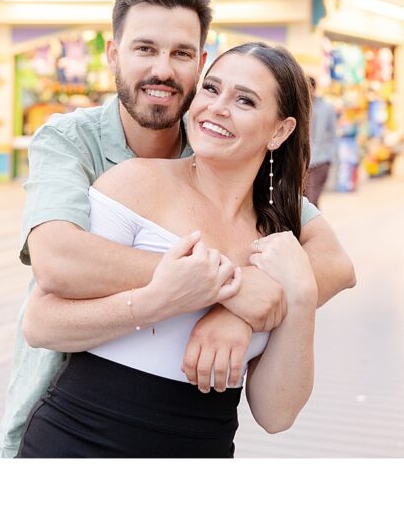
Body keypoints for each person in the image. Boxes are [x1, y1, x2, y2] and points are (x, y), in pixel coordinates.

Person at [0, 0, 356, 457]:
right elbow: (56, 264)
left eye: (180, 54)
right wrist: (223, 288)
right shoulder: (83, 148)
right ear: (114, 55)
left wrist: (247, 313)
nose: (162, 69)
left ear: (197, 64)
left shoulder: (243, 183)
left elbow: (335, 263)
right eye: (144, 49)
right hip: (71, 419)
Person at [19, 42, 317, 456]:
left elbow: (276, 415)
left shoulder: (277, 238)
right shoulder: (137, 183)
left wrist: (299, 299)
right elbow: (40, 323)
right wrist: (157, 302)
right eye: (211, 89)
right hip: (79, 442)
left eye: (245, 100)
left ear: (280, 131)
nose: (217, 107)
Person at [305, 75, 338, 206]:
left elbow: (333, 134)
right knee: (303, 201)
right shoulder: (299, 107)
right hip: (302, 161)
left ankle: (313, 225)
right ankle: (307, 226)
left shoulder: (327, 108)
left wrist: (331, 157)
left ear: (313, 88)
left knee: (312, 199)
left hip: (321, 160)